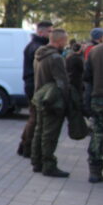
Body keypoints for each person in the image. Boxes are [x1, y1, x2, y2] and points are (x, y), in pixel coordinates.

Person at [31, 28, 70, 178]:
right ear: (59, 41)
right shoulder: (55, 58)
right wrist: (66, 103)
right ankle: (48, 165)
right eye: (64, 41)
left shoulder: (39, 55)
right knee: (49, 135)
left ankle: (37, 162)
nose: (65, 43)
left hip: (39, 98)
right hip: (52, 101)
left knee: (39, 131)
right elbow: (62, 82)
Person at [17, 20, 53, 158]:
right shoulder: (37, 47)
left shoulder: (35, 45)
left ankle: (24, 145)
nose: (51, 34)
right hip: (34, 85)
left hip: (33, 84)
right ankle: (27, 147)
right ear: (40, 32)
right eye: (49, 31)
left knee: (34, 116)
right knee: (35, 117)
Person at [84, 40, 103, 182]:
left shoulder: (95, 51)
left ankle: (95, 170)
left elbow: (87, 78)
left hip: (98, 99)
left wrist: (88, 102)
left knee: (97, 133)